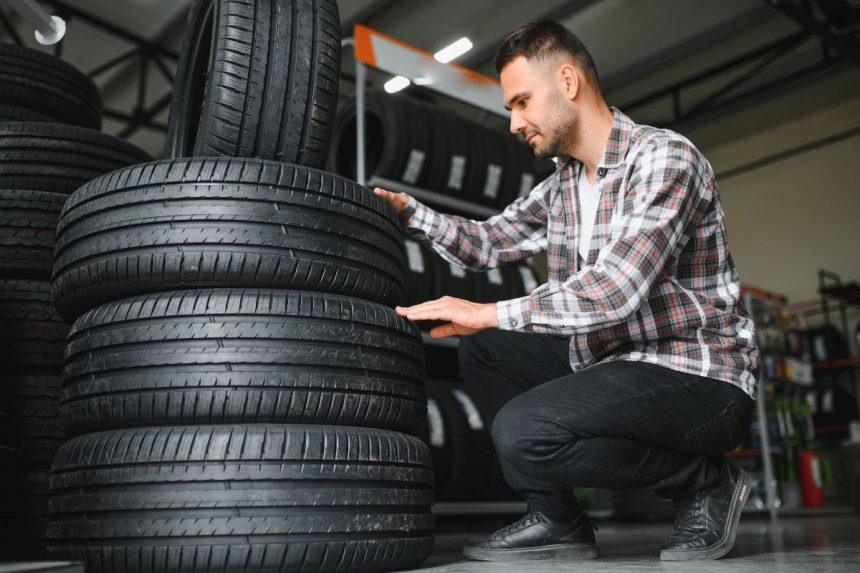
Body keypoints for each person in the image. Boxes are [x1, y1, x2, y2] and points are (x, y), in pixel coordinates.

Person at [374, 19, 760, 563]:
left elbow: (613, 292)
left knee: (523, 429)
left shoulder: (664, 159)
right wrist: (409, 212)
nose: (514, 122)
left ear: (569, 81)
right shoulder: (562, 187)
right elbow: (488, 243)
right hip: (617, 362)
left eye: (522, 102)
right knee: (486, 348)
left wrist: (490, 311)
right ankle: (557, 520)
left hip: (699, 377)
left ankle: (704, 483)